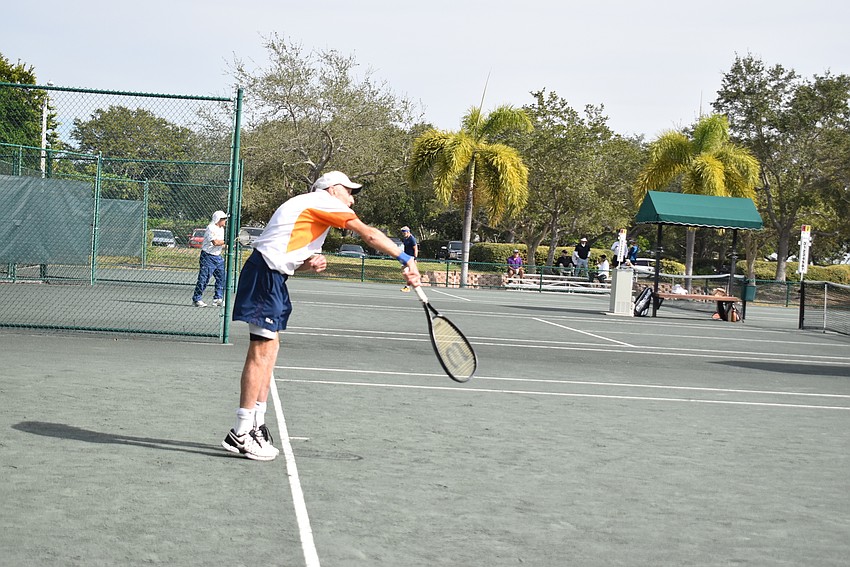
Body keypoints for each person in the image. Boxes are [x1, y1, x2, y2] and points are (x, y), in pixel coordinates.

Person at [221, 171, 421, 461]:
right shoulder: (321, 201)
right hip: (264, 275)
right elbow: (369, 234)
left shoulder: (312, 211)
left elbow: (291, 258)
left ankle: (256, 424)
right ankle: (240, 432)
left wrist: (310, 264)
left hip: (273, 277)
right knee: (260, 352)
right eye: (350, 191)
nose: (352, 198)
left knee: (271, 349)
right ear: (333, 189)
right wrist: (405, 258)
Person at [192, 210, 229, 307]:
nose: (225, 221)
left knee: (221, 278)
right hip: (207, 257)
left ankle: (218, 298)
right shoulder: (210, 228)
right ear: (218, 220)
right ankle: (197, 299)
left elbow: (220, 244)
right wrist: (226, 242)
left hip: (218, 257)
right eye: (224, 219)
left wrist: (227, 245)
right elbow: (215, 242)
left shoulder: (221, 229)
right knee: (204, 279)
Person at [399, 226, 419, 292]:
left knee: (406, 272)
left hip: (411, 258)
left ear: (408, 232)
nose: (403, 234)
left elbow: (415, 248)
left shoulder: (412, 239)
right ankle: (410, 284)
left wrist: (415, 258)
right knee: (403, 270)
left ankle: (407, 287)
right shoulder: (405, 239)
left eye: (404, 233)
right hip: (406, 257)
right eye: (403, 233)